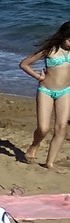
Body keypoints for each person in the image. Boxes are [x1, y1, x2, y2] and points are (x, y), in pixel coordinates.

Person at [20, 20, 70, 171]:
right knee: (43, 128)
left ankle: (50, 163)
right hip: (46, 91)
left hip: (65, 91)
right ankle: (34, 145)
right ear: (63, 36)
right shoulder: (50, 50)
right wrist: (38, 76)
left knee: (61, 127)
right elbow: (24, 64)